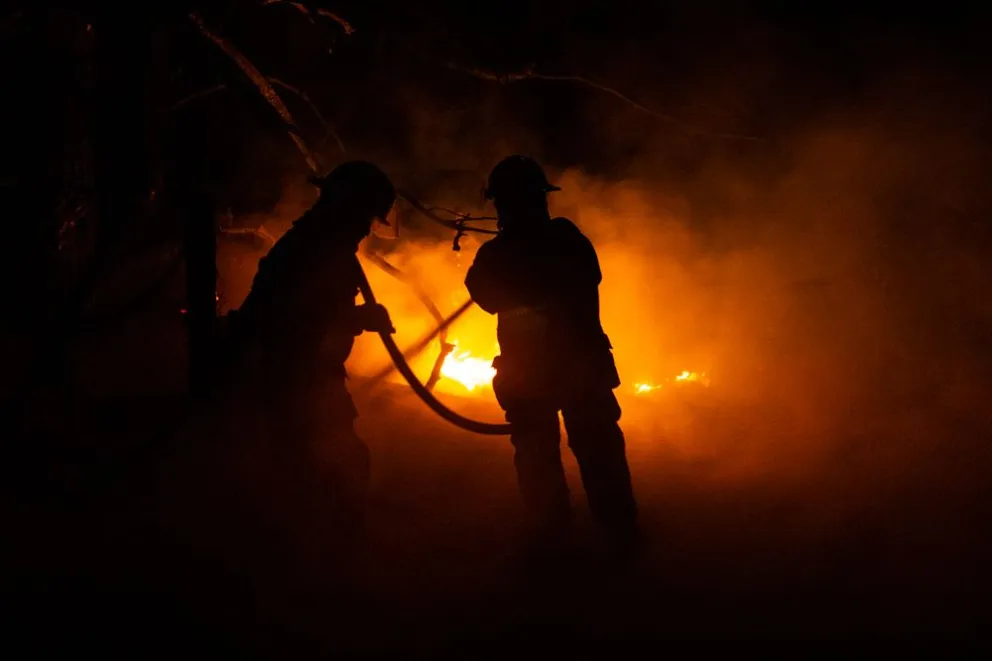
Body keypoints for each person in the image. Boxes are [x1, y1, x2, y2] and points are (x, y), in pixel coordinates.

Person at [465, 155, 639, 555]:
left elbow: (487, 294)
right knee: (571, 453)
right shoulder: (562, 241)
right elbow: (485, 293)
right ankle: (594, 533)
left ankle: (579, 534)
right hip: (566, 370)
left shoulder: (524, 249)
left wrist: (512, 260)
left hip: (552, 372)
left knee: (566, 453)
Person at [232, 160, 396, 538]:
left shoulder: (325, 246)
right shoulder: (309, 249)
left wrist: (357, 317)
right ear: (345, 207)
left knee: (335, 464)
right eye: (365, 217)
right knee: (326, 468)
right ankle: (318, 548)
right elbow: (289, 316)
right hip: (293, 378)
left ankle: (317, 541)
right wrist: (358, 317)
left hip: (310, 377)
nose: (366, 229)